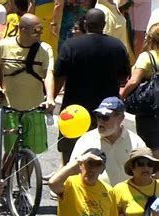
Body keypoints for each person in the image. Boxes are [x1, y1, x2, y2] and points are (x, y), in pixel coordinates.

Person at [53, 8, 130, 165]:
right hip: (106, 111)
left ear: (85, 24)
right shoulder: (117, 46)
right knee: (104, 150)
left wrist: (51, 98)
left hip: (75, 110)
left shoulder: (71, 45)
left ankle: (70, 184)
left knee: (71, 154)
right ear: (104, 24)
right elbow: (123, 78)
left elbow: (59, 77)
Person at [0, 13, 55, 155]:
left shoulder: (45, 49)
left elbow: (48, 74)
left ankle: (24, 177)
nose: (39, 34)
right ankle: (4, 176)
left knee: (32, 154)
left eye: (41, 30)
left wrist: (50, 98)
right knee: (10, 153)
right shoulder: (4, 46)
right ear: (22, 30)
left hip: (35, 109)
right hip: (10, 108)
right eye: (36, 30)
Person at [69, 97, 146, 186]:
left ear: (121, 118)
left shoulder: (136, 143)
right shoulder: (86, 140)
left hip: (124, 197)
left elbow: (144, 176)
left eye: (105, 117)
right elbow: (72, 172)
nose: (100, 121)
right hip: (92, 196)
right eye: (98, 116)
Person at [121, 22, 159, 160]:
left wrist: (122, 95)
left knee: (151, 143)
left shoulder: (147, 57)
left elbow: (134, 81)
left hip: (150, 106)